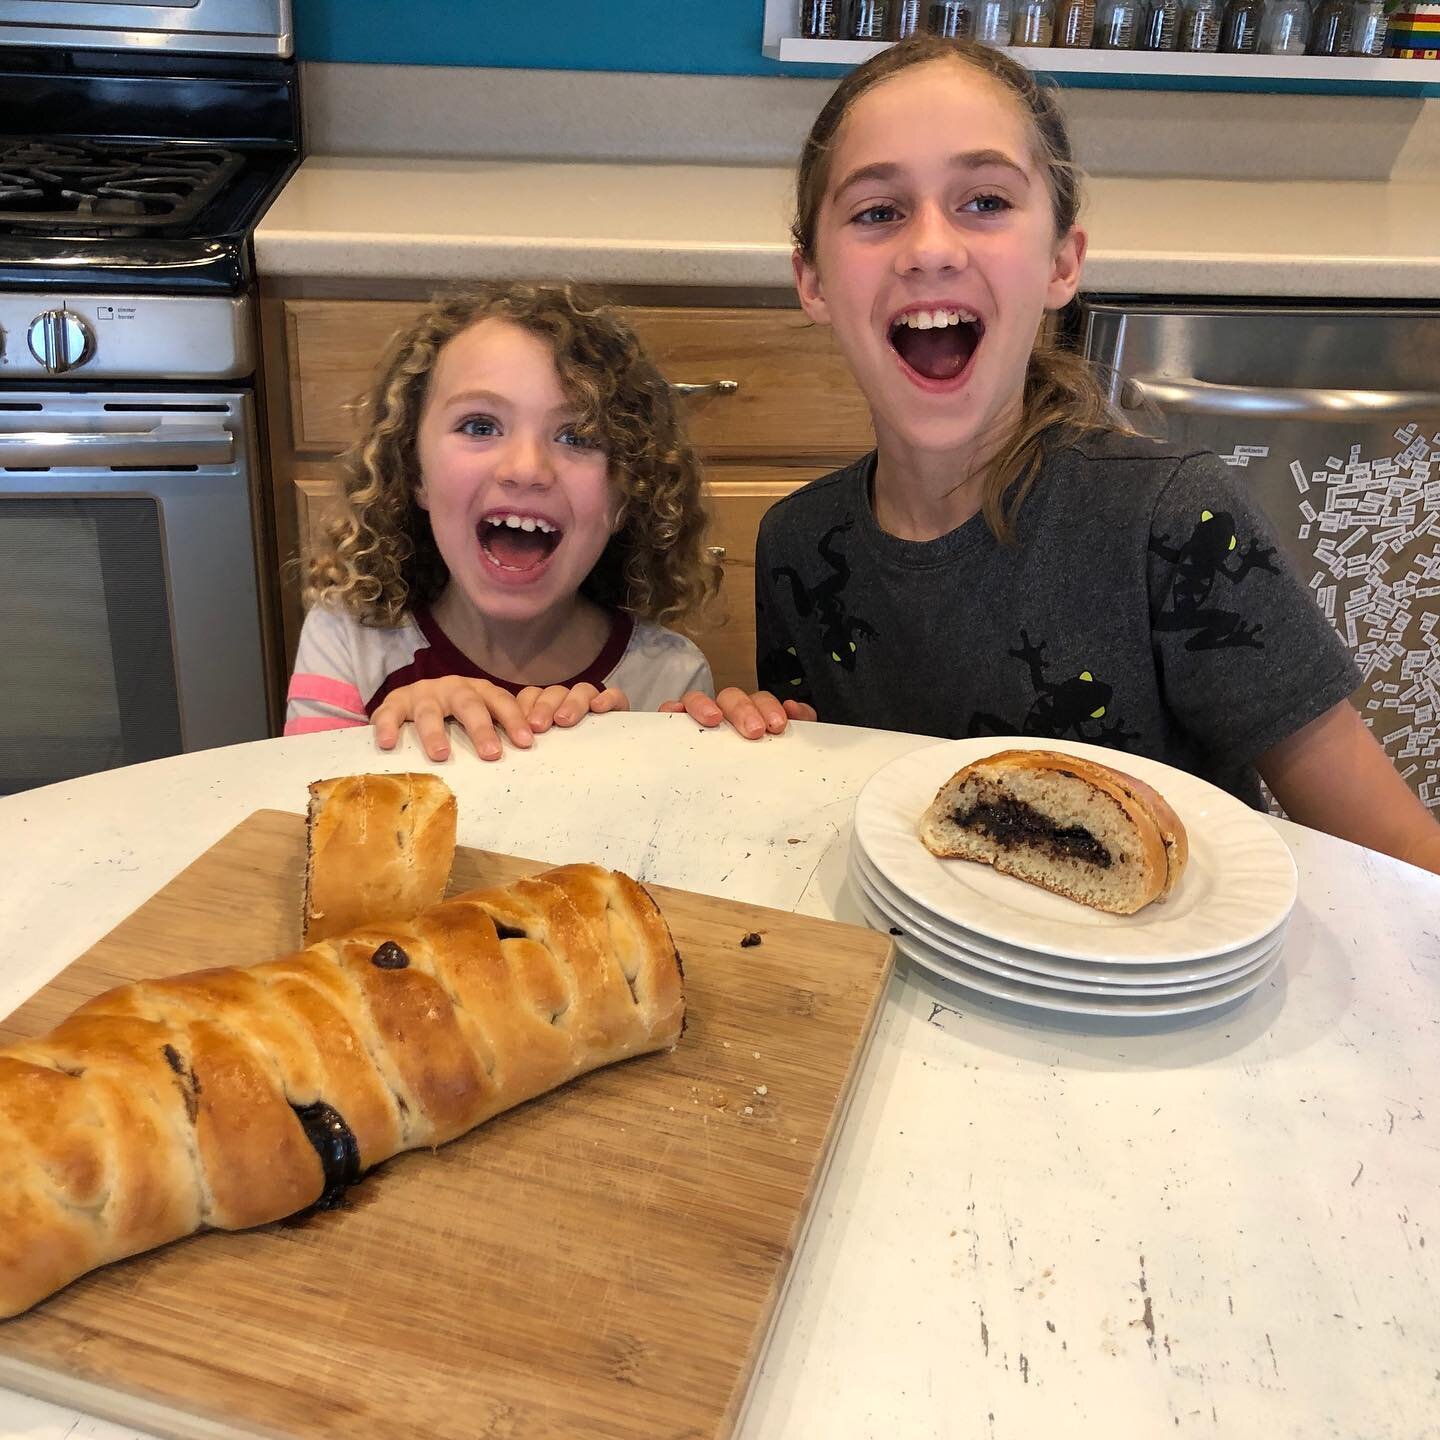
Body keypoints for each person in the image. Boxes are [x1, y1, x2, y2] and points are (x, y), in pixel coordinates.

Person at [665, 36, 1440, 873]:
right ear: (812, 280)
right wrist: (767, 737)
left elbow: (1397, 853)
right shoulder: (799, 545)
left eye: (986, 200)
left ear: (1062, 261)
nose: (930, 246)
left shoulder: (1171, 523)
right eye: (878, 211)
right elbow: (848, 802)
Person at [286, 283, 719, 762]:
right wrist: (398, 743)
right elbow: (314, 813)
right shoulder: (349, 641)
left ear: (628, 495)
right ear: (413, 471)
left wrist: (608, 763)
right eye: (480, 426)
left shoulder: (667, 677)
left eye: (577, 436)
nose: (527, 469)